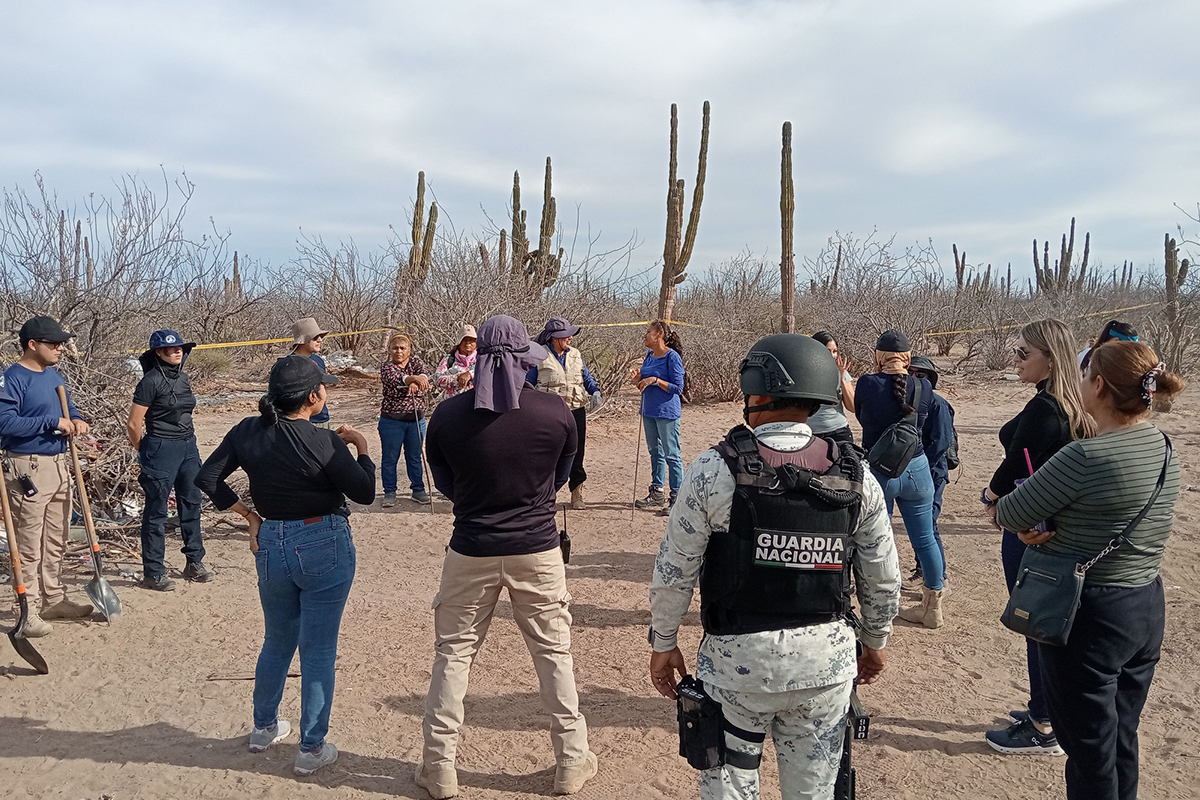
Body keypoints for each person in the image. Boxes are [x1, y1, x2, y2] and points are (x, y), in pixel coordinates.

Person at [648, 333, 900, 800]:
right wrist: (876, 640)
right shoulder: (856, 474)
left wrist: (664, 642)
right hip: (825, 667)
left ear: (757, 391)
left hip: (736, 668)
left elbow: (674, 571)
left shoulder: (712, 469)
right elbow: (882, 576)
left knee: (730, 788)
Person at [418, 315, 597, 798]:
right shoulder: (554, 412)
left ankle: (439, 766)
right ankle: (571, 761)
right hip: (536, 547)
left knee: (453, 655)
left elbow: (447, 483)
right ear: (523, 358)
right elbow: (562, 474)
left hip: (471, 546)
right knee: (554, 654)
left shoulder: (448, 416)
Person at [996, 340, 1182, 800]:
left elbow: (1010, 512)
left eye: (1085, 376)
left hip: (1087, 611)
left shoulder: (1084, 456)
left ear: (1098, 385)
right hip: (1143, 604)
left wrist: (1033, 528)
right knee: (1121, 736)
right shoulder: (1162, 445)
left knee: (1088, 751)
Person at [195, 355, 375, 776]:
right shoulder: (324, 441)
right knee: (318, 649)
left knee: (277, 640)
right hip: (322, 542)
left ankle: (263, 727)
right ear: (313, 397)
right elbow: (364, 492)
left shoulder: (247, 431)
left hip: (271, 540)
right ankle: (310, 748)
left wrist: (248, 515)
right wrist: (362, 447)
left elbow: (207, 477)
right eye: (323, 387)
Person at [981, 318, 1095, 755]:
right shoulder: (1065, 403)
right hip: (1047, 523)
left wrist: (990, 497)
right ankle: (1044, 707)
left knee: (1036, 621)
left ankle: (1044, 724)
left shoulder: (1047, 409)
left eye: (1023, 353)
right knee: (1043, 623)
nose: (1016, 360)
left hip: (1031, 530)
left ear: (1050, 358)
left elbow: (1011, 466)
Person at [0, 316, 93, 635]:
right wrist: (51, 422)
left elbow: (70, 408)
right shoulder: (11, 378)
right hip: (27, 467)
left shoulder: (54, 375)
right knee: (28, 542)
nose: (60, 348)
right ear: (32, 344)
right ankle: (26, 611)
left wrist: (77, 420)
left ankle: (53, 599)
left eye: (61, 342)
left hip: (58, 465)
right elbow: (5, 423)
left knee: (56, 538)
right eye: (54, 343)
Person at [854, 330, 943, 628]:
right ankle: (932, 607)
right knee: (925, 538)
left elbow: (863, 418)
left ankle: (881, 603)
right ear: (907, 356)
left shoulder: (867, 383)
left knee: (878, 539)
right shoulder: (924, 387)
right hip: (917, 469)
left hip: (881, 469)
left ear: (879, 356)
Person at [127, 329, 213, 591]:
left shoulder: (183, 378)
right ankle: (153, 572)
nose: (178, 351)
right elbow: (133, 422)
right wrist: (145, 449)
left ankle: (194, 562)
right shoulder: (150, 381)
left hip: (188, 446)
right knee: (157, 511)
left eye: (180, 348)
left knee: (192, 502)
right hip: (160, 447)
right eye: (172, 348)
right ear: (158, 352)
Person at [528, 317, 602, 510]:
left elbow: (586, 377)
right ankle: (545, 494)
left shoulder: (576, 354)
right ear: (554, 337)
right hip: (548, 413)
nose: (570, 337)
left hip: (576, 410)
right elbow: (527, 383)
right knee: (549, 453)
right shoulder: (539, 356)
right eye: (566, 335)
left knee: (577, 452)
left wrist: (594, 391)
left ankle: (576, 492)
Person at [902, 355, 955, 590]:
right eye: (909, 374)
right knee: (921, 525)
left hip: (932, 471)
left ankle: (938, 576)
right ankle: (924, 571)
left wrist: (920, 464)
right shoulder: (907, 404)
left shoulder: (938, 404)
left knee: (928, 524)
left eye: (920, 375)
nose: (914, 379)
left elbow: (941, 442)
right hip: (915, 471)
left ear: (931, 379)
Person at [631, 320, 685, 512]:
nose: (645, 335)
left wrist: (655, 380)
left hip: (666, 412)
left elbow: (678, 388)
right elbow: (645, 379)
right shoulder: (649, 355)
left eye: (648, 332)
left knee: (672, 454)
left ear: (659, 334)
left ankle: (677, 497)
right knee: (655, 451)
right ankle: (657, 491)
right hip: (649, 410)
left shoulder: (672, 357)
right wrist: (638, 378)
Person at [378, 333, 432, 507]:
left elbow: (424, 378)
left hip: (416, 419)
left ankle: (418, 490)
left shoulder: (417, 363)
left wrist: (416, 380)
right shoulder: (386, 366)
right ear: (389, 350)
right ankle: (390, 492)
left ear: (410, 349)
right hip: (391, 420)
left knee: (415, 456)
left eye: (403, 348)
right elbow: (394, 379)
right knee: (390, 458)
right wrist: (411, 379)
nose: (399, 351)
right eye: (395, 348)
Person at [807, 331, 857, 444]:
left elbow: (853, 407)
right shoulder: (804, 374)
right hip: (810, 434)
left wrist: (842, 378)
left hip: (839, 432)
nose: (832, 355)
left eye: (834, 351)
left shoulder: (841, 373)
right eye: (827, 351)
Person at [289, 317, 333, 428]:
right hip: (298, 423)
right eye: (314, 337)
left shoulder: (318, 361)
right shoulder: (287, 364)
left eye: (321, 336)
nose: (320, 340)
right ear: (302, 340)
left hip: (321, 420)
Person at [434, 325, 477, 398]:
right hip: (453, 404)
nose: (468, 342)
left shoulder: (482, 358)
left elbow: (487, 373)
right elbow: (436, 379)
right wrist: (457, 378)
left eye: (471, 339)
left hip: (475, 403)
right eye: (465, 339)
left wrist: (470, 374)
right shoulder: (449, 358)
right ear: (459, 341)